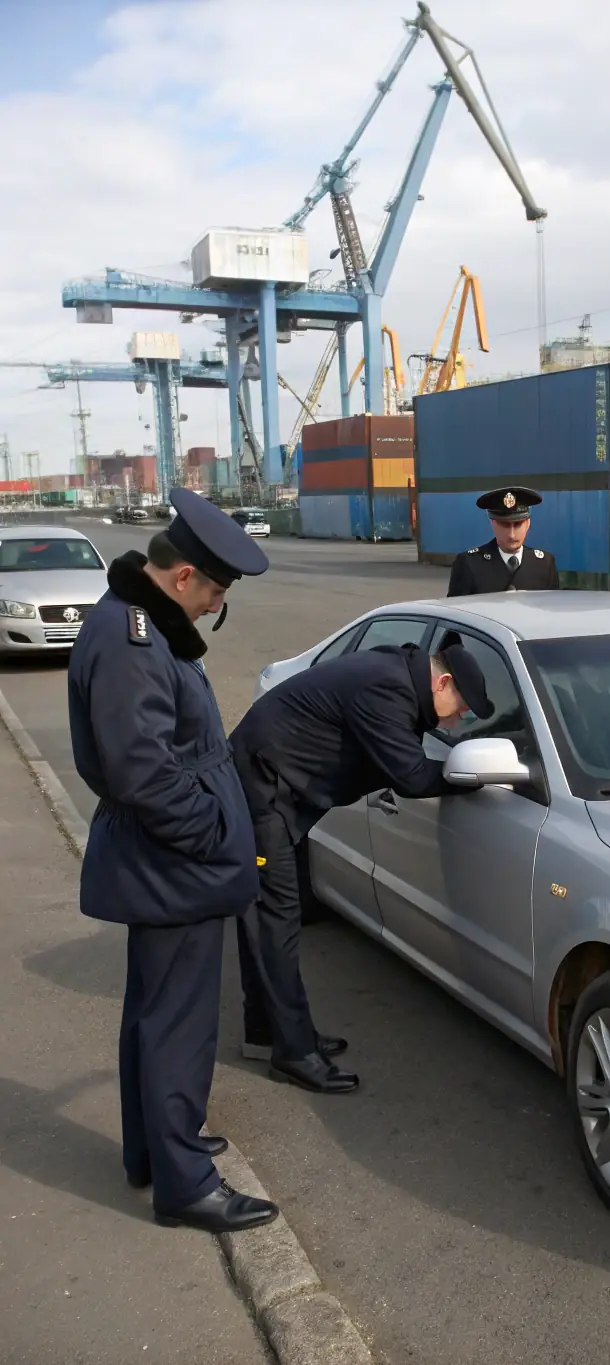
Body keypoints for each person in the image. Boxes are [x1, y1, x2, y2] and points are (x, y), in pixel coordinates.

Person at [67, 487, 277, 1234]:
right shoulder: (132, 640)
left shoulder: (143, 624)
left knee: (152, 1017)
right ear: (183, 575)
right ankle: (185, 1181)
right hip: (173, 866)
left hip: (167, 864)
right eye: (215, 591)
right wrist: (210, 837)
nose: (216, 607)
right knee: (178, 1026)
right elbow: (141, 772)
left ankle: (155, 1149)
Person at [230, 640, 494, 1093]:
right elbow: (409, 777)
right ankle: (293, 1053)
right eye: (460, 708)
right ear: (443, 682)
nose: (456, 721)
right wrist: (472, 778)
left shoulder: (396, 677)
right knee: (275, 923)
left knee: (271, 920)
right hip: (262, 794)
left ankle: (268, 1031)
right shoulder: (387, 689)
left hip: (275, 789)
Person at [447, 485, 559, 595]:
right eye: (504, 525)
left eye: (517, 524)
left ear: (528, 523)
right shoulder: (469, 563)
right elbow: (456, 611)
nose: (511, 535)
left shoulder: (544, 564)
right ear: (492, 523)